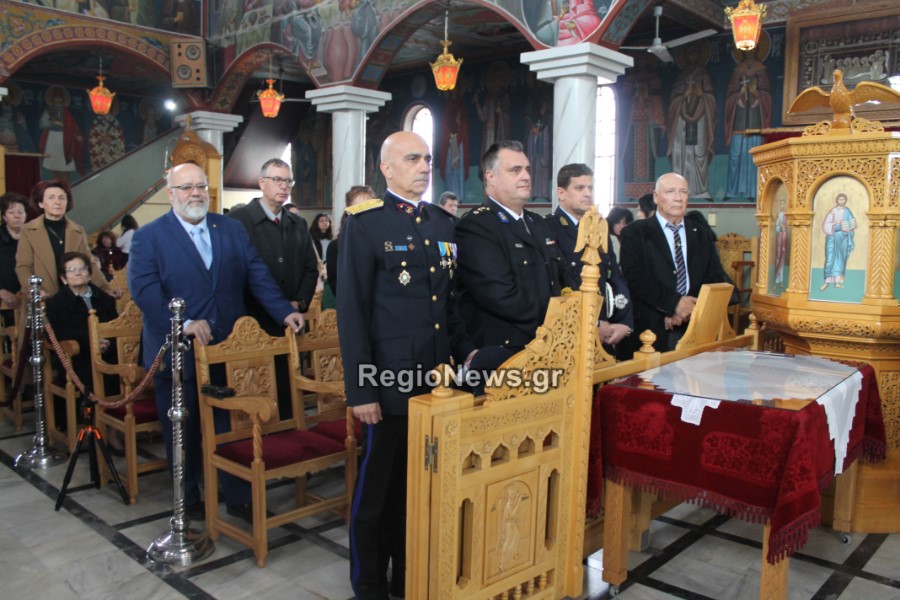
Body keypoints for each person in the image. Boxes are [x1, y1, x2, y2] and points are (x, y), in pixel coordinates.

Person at [128, 162, 305, 520]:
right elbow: (145, 291)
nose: (195, 194)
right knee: (185, 428)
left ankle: (238, 495)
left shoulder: (229, 228)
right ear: (171, 194)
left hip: (227, 349)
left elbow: (256, 273)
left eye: (201, 186)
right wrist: (184, 323)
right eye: (187, 187)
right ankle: (189, 496)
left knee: (233, 426)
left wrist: (282, 311)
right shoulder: (150, 236)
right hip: (178, 352)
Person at [337, 132, 472, 600]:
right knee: (376, 493)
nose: (424, 166)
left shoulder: (442, 222)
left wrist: (465, 359)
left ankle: (406, 575)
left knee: (417, 489)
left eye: (427, 158)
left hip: (435, 381)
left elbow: (448, 304)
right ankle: (369, 584)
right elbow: (352, 312)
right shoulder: (365, 223)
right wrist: (362, 390)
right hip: (388, 381)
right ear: (386, 168)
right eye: (412, 159)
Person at [456, 140, 575, 374]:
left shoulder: (538, 223)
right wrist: (559, 321)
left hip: (552, 347)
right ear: (490, 177)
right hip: (506, 352)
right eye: (515, 170)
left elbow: (564, 277)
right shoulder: (476, 226)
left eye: (527, 169)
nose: (526, 176)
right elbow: (502, 296)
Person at [619, 172, 733, 352]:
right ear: (656, 197)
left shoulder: (701, 234)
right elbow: (636, 277)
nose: (678, 198)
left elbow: (714, 275)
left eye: (683, 192)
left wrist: (688, 309)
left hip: (694, 324)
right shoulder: (634, 232)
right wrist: (673, 305)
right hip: (650, 326)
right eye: (670, 191)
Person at [545, 164, 633, 357]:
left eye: (590, 188)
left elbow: (614, 277)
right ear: (561, 193)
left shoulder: (598, 228)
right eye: (579, 188)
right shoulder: (548, 228)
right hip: (567, 336)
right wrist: (592, 323)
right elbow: (556, 284)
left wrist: (624, 323)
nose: (587, 193)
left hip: (605, 334)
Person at [228, 158, 319, 333]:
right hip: (250, 322)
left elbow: (310, 268)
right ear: (262, 183)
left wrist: (299, 302)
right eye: (277, 180)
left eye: (288, 181)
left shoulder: (298, 224)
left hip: (292, 319)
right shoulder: (236, 221)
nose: (284, 186)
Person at [16, 180, 120, 298]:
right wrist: (34, 290)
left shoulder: (78, 231)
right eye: (51, 197)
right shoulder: (28, 230)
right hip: (43, 297)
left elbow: (89, 263)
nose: (57, 202)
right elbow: (24, 267)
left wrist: (105, 288)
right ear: (40, 203)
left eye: (62, 198)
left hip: (74, 298)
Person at [44, 252, 118, 394]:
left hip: (109, 353)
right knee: (95, 376)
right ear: (63, 278)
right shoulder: (55, 303)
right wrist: (91, 340)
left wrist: (108, 344)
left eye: (82, 268)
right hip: (77, 357)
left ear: (89, 274)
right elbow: (54, 333)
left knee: (128, 371)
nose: (78, 273)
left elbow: (116, 325)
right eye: (71, 270)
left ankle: (118, 407)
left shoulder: (105, 299)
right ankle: (97, 408)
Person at [667, 44, 716, 198]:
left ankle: (700, 190)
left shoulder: (703, 75)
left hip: (700, 120)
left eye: (695, 53)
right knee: (681, 153)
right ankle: (679, 190)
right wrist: (683, 96)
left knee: (698, 152)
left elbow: (711, 99)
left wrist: (702, 94)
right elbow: (674, 100)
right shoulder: (681, 78)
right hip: (681, 122)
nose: (692, 57)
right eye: (689, 54)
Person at [325, 184, 374, 298]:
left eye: (369, 207)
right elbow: (338, 287)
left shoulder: (384, 243)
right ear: (348, 211)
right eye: (359, 207)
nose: (364, 212)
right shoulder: (336, 247)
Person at [820, 192, 856, 291]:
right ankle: (826, 282)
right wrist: (835, 223)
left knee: (840, 260)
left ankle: (837, 282)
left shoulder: (847, 211)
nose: (841, 201)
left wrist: (847, 226)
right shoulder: (833, 211)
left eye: (843, 199)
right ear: (837, 200)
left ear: (845, 201)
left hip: (843, 238)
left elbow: (851, 224)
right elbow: (826, 225)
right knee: (830, 258)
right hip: (832, 236)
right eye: (840, 199)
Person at [0, 193, 27, 315]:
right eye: (11, 213)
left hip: (30, 296)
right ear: (4, 217)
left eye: (20, 212)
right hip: (4, 298)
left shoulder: (34, 237)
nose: (17, 216)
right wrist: (1, 291)